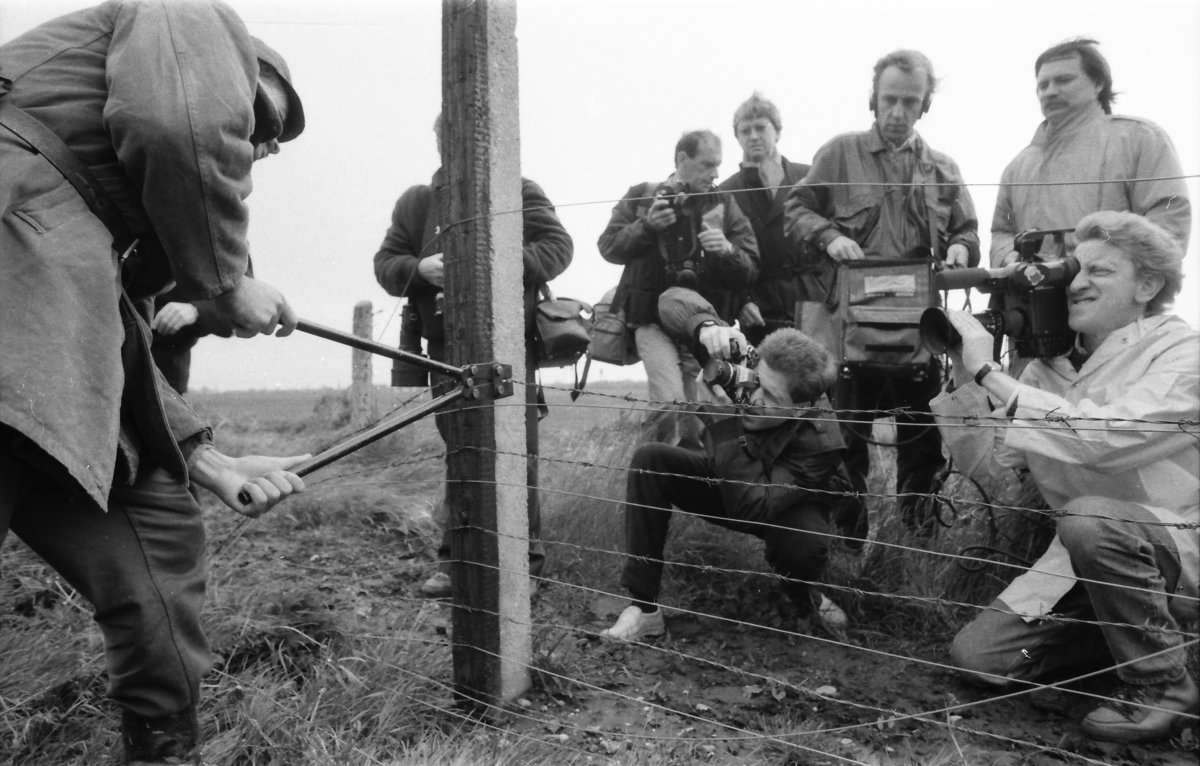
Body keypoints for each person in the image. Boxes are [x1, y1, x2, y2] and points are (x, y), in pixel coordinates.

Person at [1, 3, 310, 763]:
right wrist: (227, 277)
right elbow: (179, 126)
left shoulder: (94, 226)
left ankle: (164, 751)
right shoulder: (189, 14)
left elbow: (116, 342)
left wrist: (210, 462)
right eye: (260, 118)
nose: (262, 146)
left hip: (35, 343)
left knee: (159, 533)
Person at [932, 211, 1198, 743]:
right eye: (1073, 269)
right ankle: (1122, 642)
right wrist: (967, 376)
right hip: (1087, 562)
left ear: (1147, 285)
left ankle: (1162, 682)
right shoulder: (1049, 368)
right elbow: (994, 466)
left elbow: (1104, 441)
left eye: (1098, 271)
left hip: (1174, 549)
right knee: (985, 659)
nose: (1075, 283)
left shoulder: (1182, 352)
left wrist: (994, 375)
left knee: (1089, 520)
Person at [373, 114, 574, 599]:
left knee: (516, 454)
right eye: (452, 139)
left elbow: (559, 246)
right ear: (442, 143)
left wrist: (499, 259)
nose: (461, 149)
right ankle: (456, 563)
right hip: (445, 349)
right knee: (461, 450)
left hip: (513, 342)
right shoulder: (418, 202)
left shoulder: (520, 190)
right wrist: (419, 269)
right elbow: (386, 264)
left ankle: (525, 566)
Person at [784, 50, 980, 541]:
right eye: (889, 99)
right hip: (852, 336)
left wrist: (959, 246)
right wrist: (829, 235)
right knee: (845, 447)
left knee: (923, 446)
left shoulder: (943, 169)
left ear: (925, 105)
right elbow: (795, 209)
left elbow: (968, 230)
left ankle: (918, 551)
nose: (897, 111)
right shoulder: (838, 154)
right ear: (872, 99)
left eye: (909, 102)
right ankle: (847, 551)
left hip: (922, 336)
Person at [600, 287, 851, 642]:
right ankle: (644, 609)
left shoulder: (821, 440)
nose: (754, 396)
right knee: (651, 460)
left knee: (802, 546)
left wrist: (723, 422)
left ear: (802, 407)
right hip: (736, 477)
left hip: (782, 504)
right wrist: (707, 327)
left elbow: (751, 507)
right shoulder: (756, 368)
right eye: (757, 381)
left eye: (771, 397)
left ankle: (802, 594)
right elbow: (669, 299)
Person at [599, 130, 759, 451]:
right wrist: (646, 227)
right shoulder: (642, 197)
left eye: (718, 165)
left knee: (699, 420)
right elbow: (608, 247)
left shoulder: (725, 204)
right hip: (650, 322)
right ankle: (649, 484)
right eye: (708, 165)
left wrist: (727, 250)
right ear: (682, 159)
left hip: (703, 325)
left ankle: (694, 488)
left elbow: (751, 266)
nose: (716, 174)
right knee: (668, 405)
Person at [991, 38, 1190, 267]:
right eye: (1042, 85)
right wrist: (1009, 256)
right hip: (1031, 297)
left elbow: (1169, 214)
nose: (1050, 92)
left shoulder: (1139, 139)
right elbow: (1002, 231)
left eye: (1063, 80)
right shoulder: (1018, 167)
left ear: (1098, 84)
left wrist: (1114, 271)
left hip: (1116, 296)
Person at [719, 93, 811, 347]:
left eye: (761, 127)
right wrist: (741, 301)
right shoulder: (726, 192)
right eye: (745, 130)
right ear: (736, 137)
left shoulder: (808, 177)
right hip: (761, 307)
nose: (753, 136)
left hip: (812, 299)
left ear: (777, 132)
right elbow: (721, 261)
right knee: (768, 382)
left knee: (820, 377)